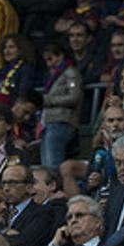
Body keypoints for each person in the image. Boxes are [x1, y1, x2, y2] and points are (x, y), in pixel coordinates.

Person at [40, 41, 83, 170]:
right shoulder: (54, 76)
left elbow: (74, 96)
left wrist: (49, 100)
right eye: (46, 60)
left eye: (51, 58)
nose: (49, 63)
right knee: (47, 165)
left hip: (62, 121)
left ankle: (54, 188)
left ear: (60, 56)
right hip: (50, 122)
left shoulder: (70, 73)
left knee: (53, 164)